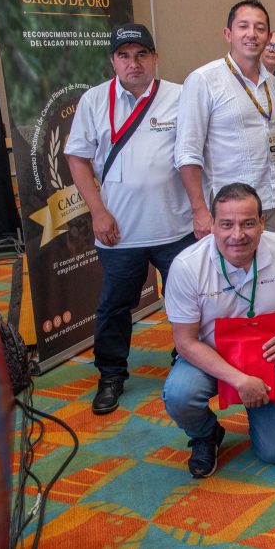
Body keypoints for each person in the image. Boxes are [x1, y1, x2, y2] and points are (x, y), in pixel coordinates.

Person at [64, 23, 195, 415]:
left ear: (155, 58)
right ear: (113, 61)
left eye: (141, 55)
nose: (133, 63)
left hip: (177, 226)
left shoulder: (181, 96)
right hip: (119, 230)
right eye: (124, 55)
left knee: (189, 301)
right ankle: (111, 374)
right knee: (114, 306)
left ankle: (187, 360)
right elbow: (77, 158)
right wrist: (98, 212)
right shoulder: (93, 101)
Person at [162, 183, 275, 477]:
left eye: (248, 223)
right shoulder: (187, 266)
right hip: (210, 355)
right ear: (212, 225)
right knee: (179, 394)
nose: (237, 235)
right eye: (226, 224)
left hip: (268, 357)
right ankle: (205, 434)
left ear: (262, 223)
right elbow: (185, 342)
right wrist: (240, 380)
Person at [176, 0, 275, 236]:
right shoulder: (204, 80)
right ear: (228, 33)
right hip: (230, 211)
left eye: (260, 28)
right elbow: (187, 152)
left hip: (274, 202)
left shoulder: (272, 82)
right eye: (243, 26)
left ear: (268, 36)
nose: (252, 34)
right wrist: (199, 211)